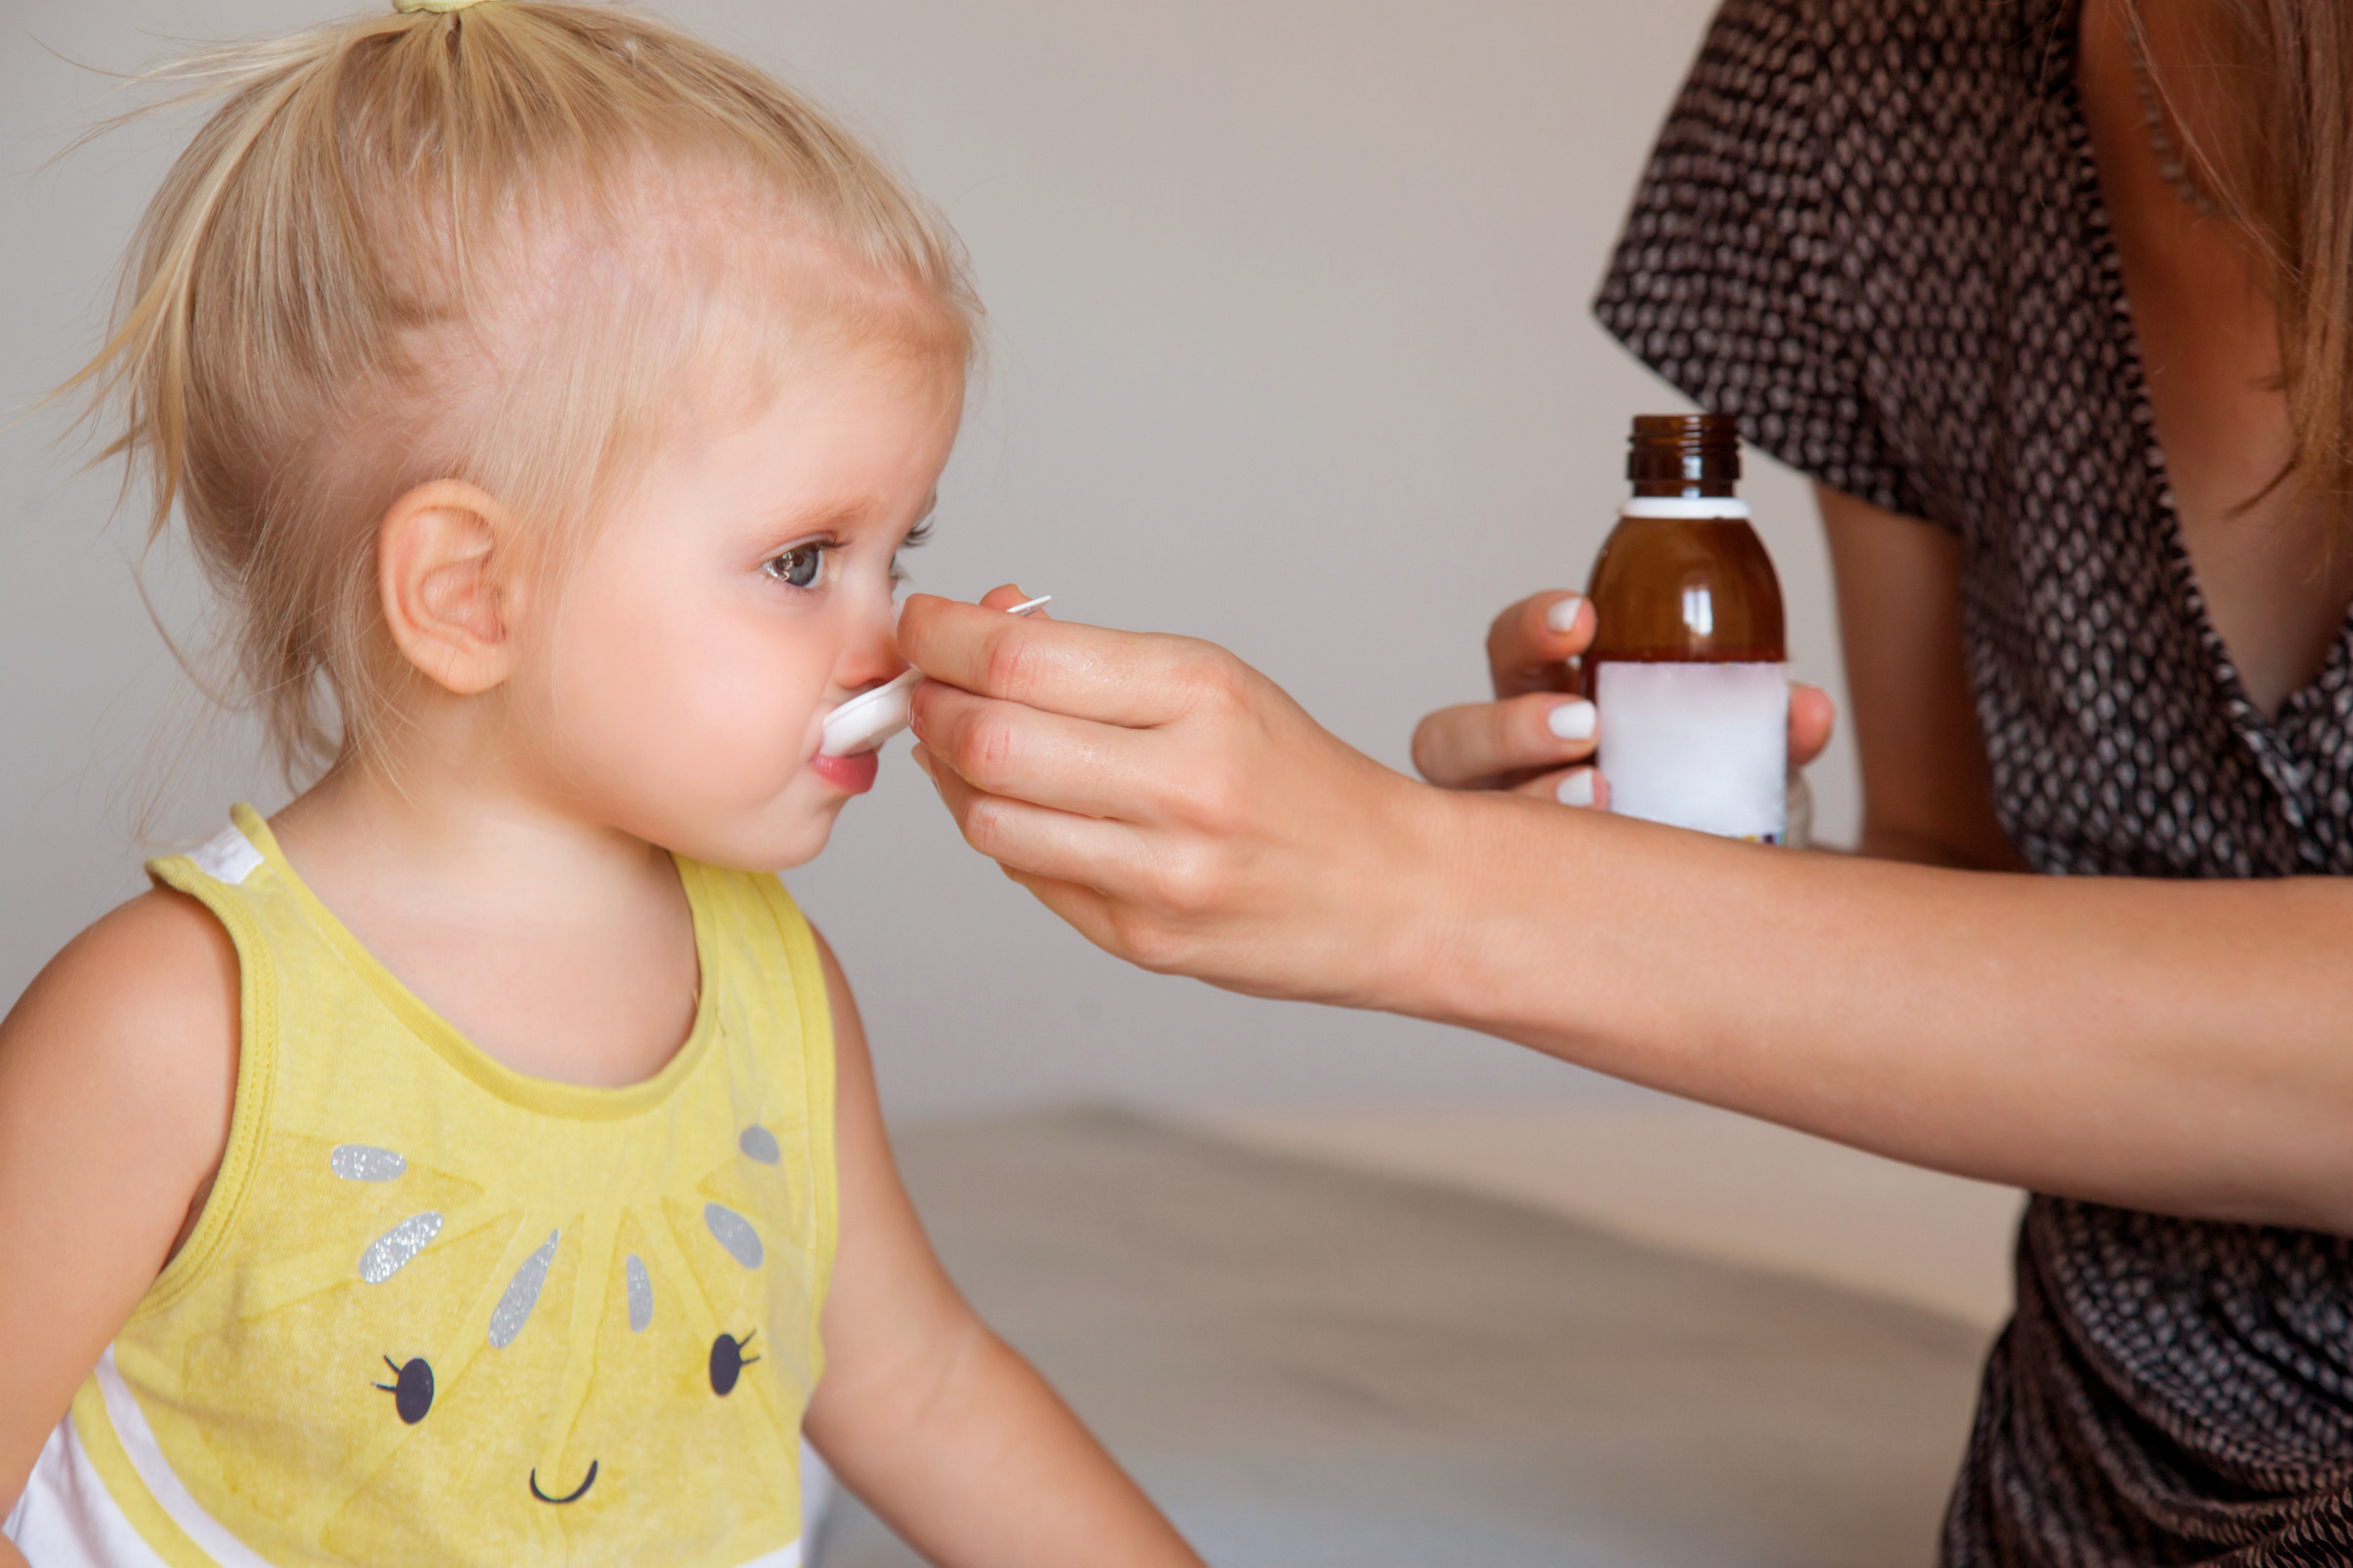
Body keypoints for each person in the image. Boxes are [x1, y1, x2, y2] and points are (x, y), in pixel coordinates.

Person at [894, 0, 2353, 1562]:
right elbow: (1959, 885)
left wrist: (1450, 898)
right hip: (2075, 1503)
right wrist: (1660, 873)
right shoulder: (1855, 72)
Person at [0, 5, 1207, 1567]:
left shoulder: (773, 989)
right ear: (469, 595)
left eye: (894, 549)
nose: (890, 628)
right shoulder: (175, 1025)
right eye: (800, 561)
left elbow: (921, 1392)